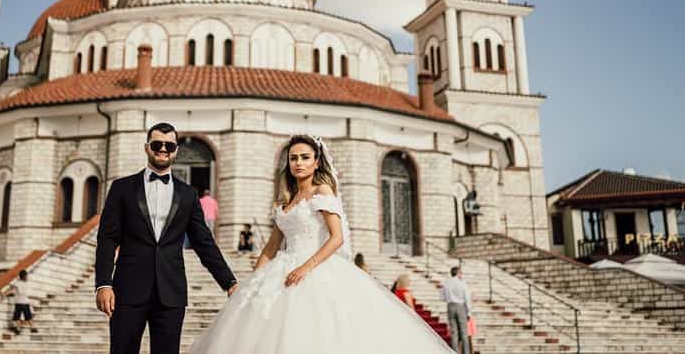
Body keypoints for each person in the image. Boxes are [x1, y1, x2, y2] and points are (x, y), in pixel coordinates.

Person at [189, 135, 453, 353]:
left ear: (316, 162)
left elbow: (336, 237)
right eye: (293, 158)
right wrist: (252, 283)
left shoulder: (322, 191)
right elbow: (271, 246)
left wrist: (306, 267)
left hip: (316, 269)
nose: (298, 163)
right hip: (281, 270)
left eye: (305, 157)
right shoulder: (286, 199)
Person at [95, 122, 238, 354]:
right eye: (157, 144)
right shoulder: (121, 188)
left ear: (176, 150)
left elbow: (203, 242)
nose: (163, 149)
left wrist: (229, 282)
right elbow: (107, 239)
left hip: (171, 293)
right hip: (128, 290)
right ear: (146, 148)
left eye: (169, 145)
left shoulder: (188, 194)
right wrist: (103, 283)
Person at [441, 266, 472, 354]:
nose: (462, 275)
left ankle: (454, 352)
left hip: (450, 306)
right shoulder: (462, 283)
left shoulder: (446, 283)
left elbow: (442, 297)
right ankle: (466, 352)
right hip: (460, 306)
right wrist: (469, 312)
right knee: (464, 332)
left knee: (453, 332)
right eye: (461, 273)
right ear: (458, 273)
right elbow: (467, 298)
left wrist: (450, 299)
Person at [1, 269, 36, 334]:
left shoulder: (19, 283)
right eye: (26, 276)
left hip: (22, 302)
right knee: (22, 316)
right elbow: (11, 290)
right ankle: (23, 328)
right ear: (24, 276)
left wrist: (4, 294)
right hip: (22, 302)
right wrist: (4, 294)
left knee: (23, 316)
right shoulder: (20, 283)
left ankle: (29, 328)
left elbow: (11, 290)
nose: (27, 277)